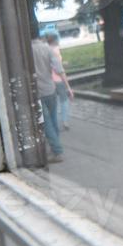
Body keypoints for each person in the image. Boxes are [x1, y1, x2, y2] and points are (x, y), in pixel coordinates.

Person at [30, 31, 64, 164]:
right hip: (50, 89)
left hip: (37, 91)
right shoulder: (47, 48)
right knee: (54, 119)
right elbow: (58, 67)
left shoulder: (27, 50)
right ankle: (55, 148)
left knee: (45, 123)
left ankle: (57, 151)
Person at [44, 30, 73, 131]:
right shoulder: (55, 50)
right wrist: (68, 86)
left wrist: (62, 63)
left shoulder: (45, 49)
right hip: (58, 80)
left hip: (48, 80)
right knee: (64, 101)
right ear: (55, 40)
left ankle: (53, 122)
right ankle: (64, 121)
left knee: (53, 103)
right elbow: (59, 70)